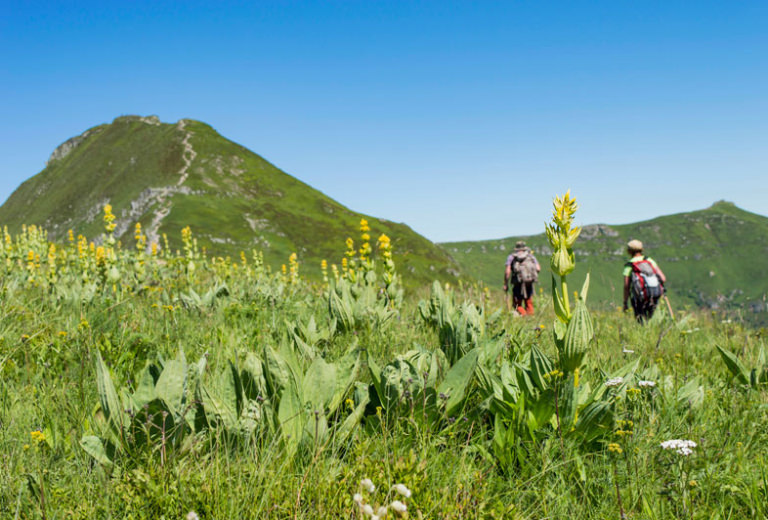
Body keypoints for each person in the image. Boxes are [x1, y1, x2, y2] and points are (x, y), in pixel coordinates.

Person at [622, 239, 667, 323]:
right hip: (654, 294)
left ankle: (643, 333)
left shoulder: (629, 265)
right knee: (651, 318)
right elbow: (663, 278)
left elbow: (626, 286)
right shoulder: (649, 260)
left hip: (639, 297)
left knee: (641, 320)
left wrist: (625, 303)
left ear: (629, 251)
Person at [504, 241, 541, 316]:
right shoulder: (530, 256)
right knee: (529, 301)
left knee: (517, 304)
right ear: (524, 248)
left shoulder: (512, 257)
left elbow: (507, 271)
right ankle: (530, 317)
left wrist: (506, 283)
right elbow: (538, 268)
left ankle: (523, 316)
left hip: (518, 282)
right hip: (529, 282)